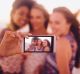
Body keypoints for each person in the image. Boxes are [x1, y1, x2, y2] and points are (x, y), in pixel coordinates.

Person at [42, 7, 80, 74]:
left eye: (57, 23)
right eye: (51, 22)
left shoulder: (62, 43)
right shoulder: (71, 36)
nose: (52, 26)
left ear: (68, 24)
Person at [0, 1, 35, 73]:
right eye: (21, 13)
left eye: (27, 16)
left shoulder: (22, 35)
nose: (24, 18)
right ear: (13, 13)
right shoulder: (5, 33)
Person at [23, 4, 49, 74]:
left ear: (45, 18)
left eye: (38, 17)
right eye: (31, 17)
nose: (34, 21)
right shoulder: (25, 35)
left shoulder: (51, 38)